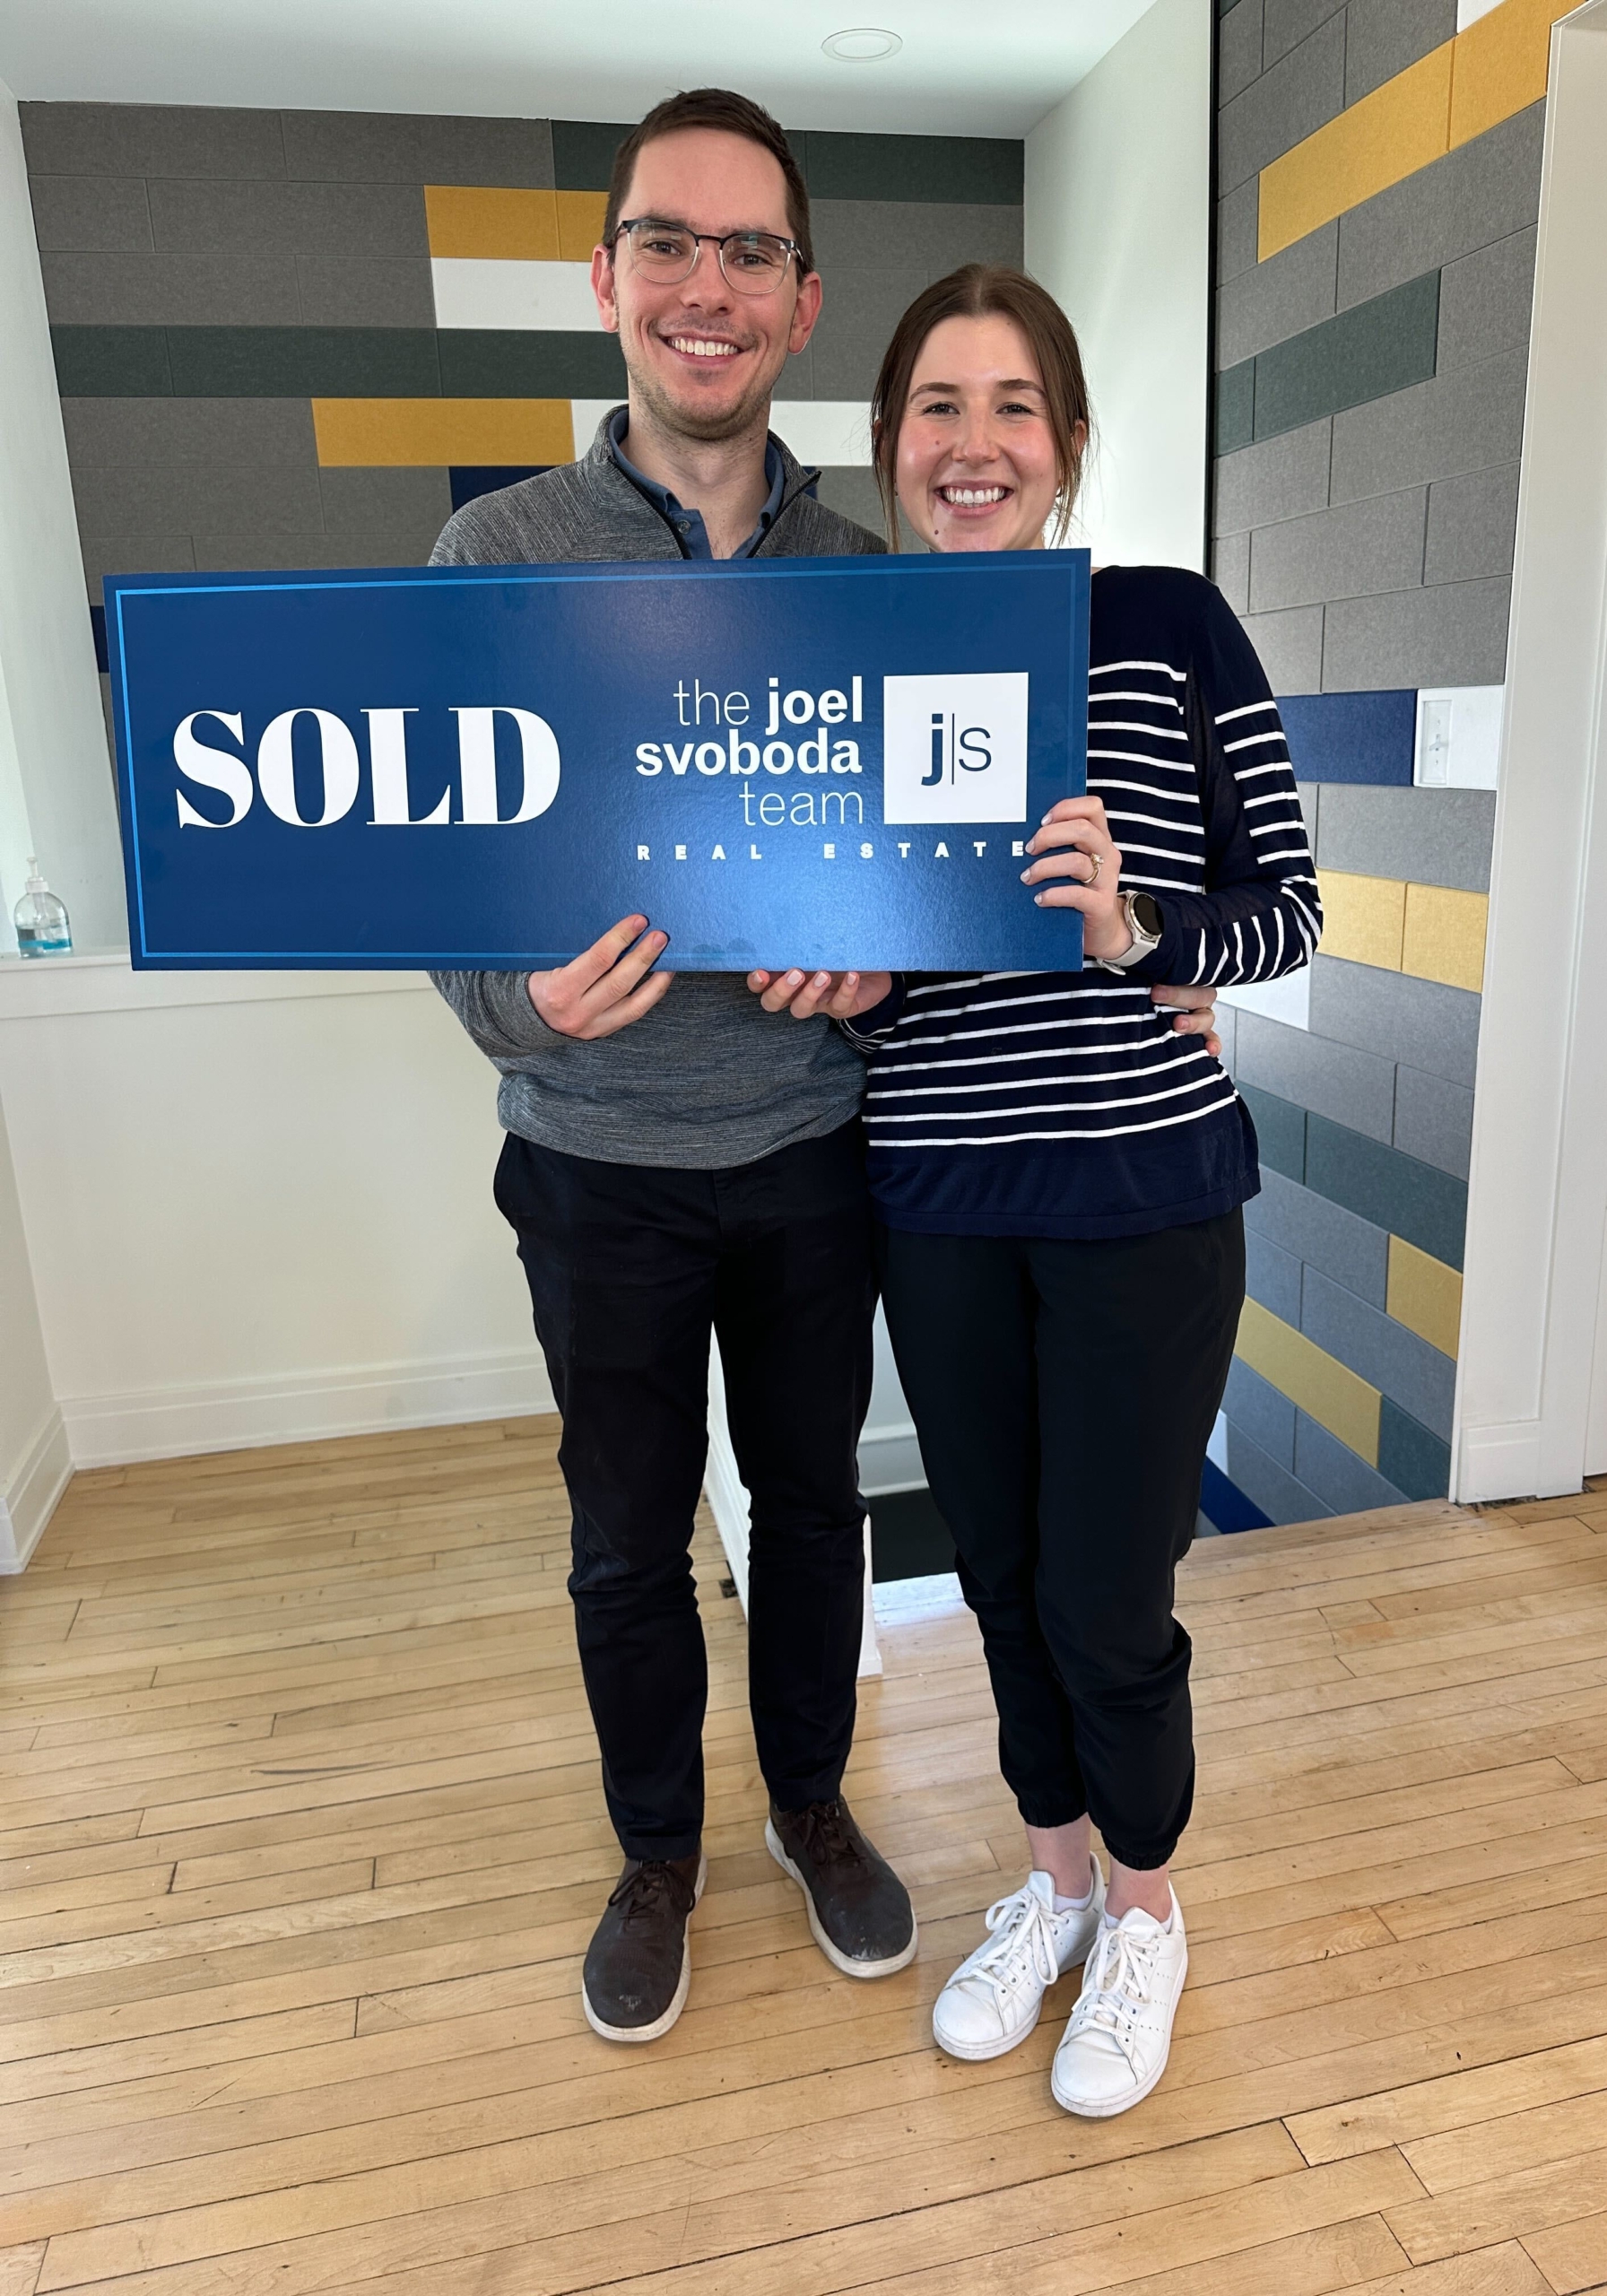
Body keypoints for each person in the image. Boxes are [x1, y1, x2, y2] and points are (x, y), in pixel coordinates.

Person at [750, 265, 1319, 2118]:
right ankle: (1056, 1883)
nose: (973, 442)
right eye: (938, 404)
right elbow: (869, 950)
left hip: (1144, 1198)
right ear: (890, 440)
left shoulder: (1166, 622)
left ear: (1066, 443)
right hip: (939, 1197)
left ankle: (1146, 1913)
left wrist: (1140, 927)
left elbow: (1290, 910)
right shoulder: (853, 660)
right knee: (997, 1578)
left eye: (1012, 406)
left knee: (1106, 1596)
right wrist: (847, 976)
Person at [427, 87, 923, 2047]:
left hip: (811, 1153)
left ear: (802, 300)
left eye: (749, 251)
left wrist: (884, 965)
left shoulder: (871, 571)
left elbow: (933, 868)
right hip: (592, 1162)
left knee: (811, 1514)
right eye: (667, 243)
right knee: (626, 1541)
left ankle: (810, 1803)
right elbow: (431, 877)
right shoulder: (491, 551)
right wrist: (521, 1006)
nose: (704, 286)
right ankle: (658, 1853)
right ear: (608, 275)